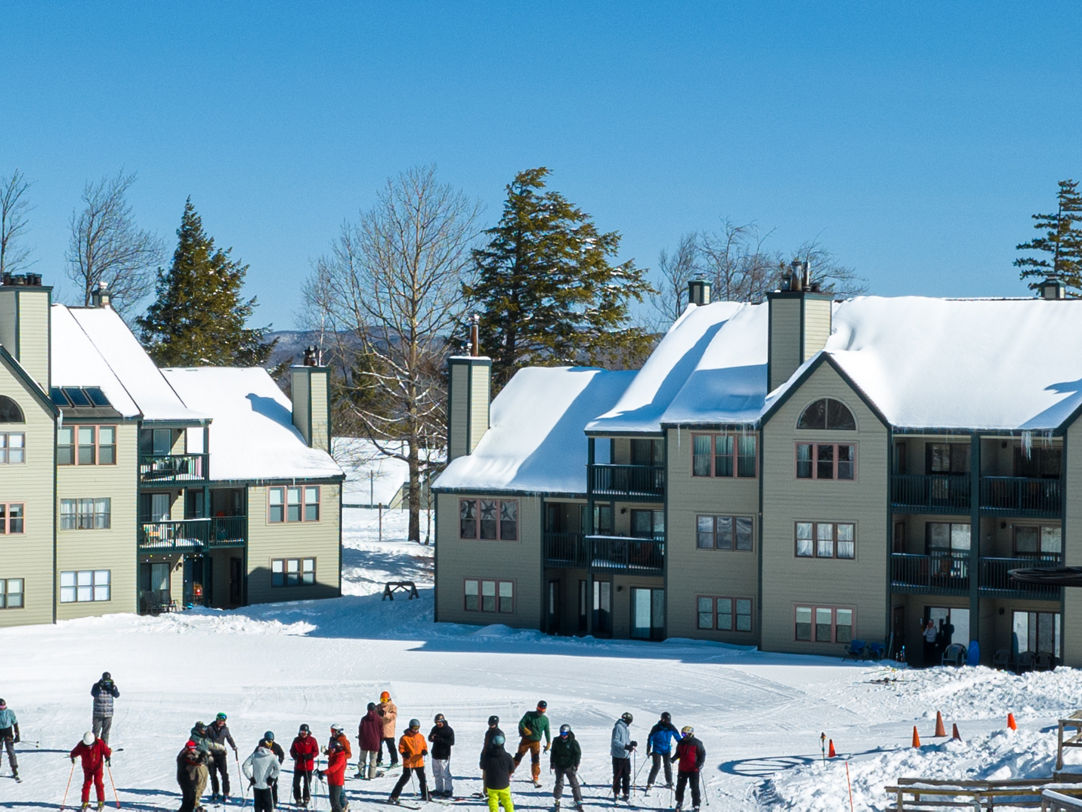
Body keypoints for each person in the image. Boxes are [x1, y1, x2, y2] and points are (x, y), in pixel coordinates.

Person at [389, 718, 429, 804]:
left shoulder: (420, 736)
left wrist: (424, 751)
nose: (416, 730)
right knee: (404, 779)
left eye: (418, 727)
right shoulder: (404, 738)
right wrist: (404, 753)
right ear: (410, 727)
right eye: (414, 727)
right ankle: (394, 796)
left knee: (422, 779)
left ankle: (425, 794)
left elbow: (424, 746)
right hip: (409, 762)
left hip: (419, 762)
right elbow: (401, 748)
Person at [70, 731, 112, 811]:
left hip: (98, 768)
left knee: (98, 783)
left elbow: (106, 751)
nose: (89, 747)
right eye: (87, 745)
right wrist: (73, 758)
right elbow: (74, 752)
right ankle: (85, 802)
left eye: (90, 745)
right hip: (87, 768)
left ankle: (100, 801)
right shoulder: (81, 745)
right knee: (87, 784)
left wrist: (107, 758)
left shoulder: (99, 743)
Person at [513, 700, 550, 788]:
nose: (540, 711)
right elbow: (521, 723)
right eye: (539, 709)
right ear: (537, 708)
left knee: (535, 760)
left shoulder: (545, 720)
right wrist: (525, 729)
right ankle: (509, 772)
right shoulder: (529, 714)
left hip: (536, 743)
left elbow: (547, 731)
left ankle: (535, 776)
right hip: (525, 741)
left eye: (542, 710)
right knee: (518, 757)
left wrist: (548, 742)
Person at [549, 724, 583, 810]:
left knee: (574, 784)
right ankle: (557, 800)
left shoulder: (573, 742)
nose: (563, 736)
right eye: (561, 733)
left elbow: (577, 753)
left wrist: (576, 764)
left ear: (568, 733)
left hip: (569, 765)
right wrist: (552, 762)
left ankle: (578, 801)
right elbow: (553, 752)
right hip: (559, 765)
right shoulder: (556, 740)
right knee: (559, 783)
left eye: (565, 734)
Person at [645, 711, 680, 792]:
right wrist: (648, 749)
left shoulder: (671, 727)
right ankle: (650, 783)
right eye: (666, 720)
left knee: (667, 765)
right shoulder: (656, 728)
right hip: (657, 749)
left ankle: (669, 782)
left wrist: (685, 744)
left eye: (669, 720)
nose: (668, 722)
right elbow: (650, 738)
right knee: (656, 766)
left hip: (667, 749)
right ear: (662, 719)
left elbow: (678, 738)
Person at [242, 739, 281, 812]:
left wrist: (250, 778)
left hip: (256, 785)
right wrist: (272, 778)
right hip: (267, 785)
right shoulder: (272, 756)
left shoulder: (254, 755)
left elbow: (244, 766)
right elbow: (278, 768)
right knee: (268, 807)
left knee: (258, 807)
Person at [206, 712, 238, 803]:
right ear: (216, 719)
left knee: (224, 775)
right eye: (220, 720)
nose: (221, 722)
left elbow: (229, 738)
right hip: (211, 754)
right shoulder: (210, 728)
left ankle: (226, 793)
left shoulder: (225, 729)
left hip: (221, 755)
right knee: (213, 774)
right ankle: (215, 792)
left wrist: (233, 746)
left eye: (223, 720)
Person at [673, 725, 705, 811]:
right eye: (682, 734)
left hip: (693, 769)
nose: (683, 736)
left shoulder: (697, 743)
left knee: (694, 787)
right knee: (680, 786)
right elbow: (678, 753)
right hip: (682, 768)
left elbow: (702, 754)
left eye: (684, 734)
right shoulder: (681, 743)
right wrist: (673, 758)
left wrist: (700, 763)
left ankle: (696, 805)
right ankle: (679, 802)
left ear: (690, 734)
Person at [481, 732, 515, 812]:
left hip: (491, 784)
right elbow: (512, 769)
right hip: (504, 784)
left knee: (493, 801)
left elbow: (483, 766)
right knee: (507, 801)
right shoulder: (508, 756)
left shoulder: (488, 756)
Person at [291, 723, 319, 808]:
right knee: (296, 783)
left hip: (308, 766)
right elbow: (292, 750)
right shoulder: (296, 740)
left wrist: (309, 756)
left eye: (304, 732)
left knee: (307, 784)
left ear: (307, 732)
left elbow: (316, 751)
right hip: (298, 765)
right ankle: (298, 798)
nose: (303, 733)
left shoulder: (312, 740)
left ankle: (306, 798)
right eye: (301, 731)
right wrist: (294, 755)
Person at [610, 712, 636, 802]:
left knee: (626, 775)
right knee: (617, 775)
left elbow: (626, 740)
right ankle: (616, 792)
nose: (630, 723)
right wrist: (625, 746)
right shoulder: (618, 727)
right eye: (629, 721)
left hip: (625, 756)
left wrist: (631, 743)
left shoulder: (626, 729)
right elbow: (615, 741)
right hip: (618, 756)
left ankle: (626, 793)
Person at [428, 712, 455, 798]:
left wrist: (439, 739)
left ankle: (448, 790)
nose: (438, 724)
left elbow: (451, 742)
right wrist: (431, 738)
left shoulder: (448, 730)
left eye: (439, 722)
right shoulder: (435, 728)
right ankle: (439, 789)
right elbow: (430, 737)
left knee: (445, 774)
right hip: (435, 754)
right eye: (436, 722)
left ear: (443, 721)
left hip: (444, 755)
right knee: (436, 774)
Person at [318, 738, 348, 812]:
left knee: (335, 802)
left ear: (337, 748)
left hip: (337, 781)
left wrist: (324, 772)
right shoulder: (334, 755)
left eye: (333, 748)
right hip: (332, 780)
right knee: (333, 801)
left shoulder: (340, 757)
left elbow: (334, 768)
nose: (331, 750)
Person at [90, 672, 119, 744]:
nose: (107, 682)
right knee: (95, 732)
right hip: (98, 713)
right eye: (105, 680)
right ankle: (94, 747)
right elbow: (94, 694)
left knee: (106, 732)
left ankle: (104, 747)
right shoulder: (96, 685)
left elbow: (117, 695)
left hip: (108, 714)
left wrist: (113, 688)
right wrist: (99, 686)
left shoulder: (112, 686)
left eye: (108, 680)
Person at [177, 740, 205, 812]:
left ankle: (185, 809)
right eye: (192, 748)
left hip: (188, 778)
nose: (194, 750)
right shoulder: (186, 755)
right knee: (189, 798)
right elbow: (196, 763)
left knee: (190, 797)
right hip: (186, 779)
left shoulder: (185, 753)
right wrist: (201, 756)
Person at [357, 702, 382, 779]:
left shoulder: (364, 719)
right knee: (373, 760)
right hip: (374, 743)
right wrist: (379, 740)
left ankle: (361, 774)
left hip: (364, 742)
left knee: (362, 759)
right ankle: (371, 775)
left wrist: (360, 739)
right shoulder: (379, 719)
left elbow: (360, 731)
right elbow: (381, 732)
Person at [480, 715, 504, 792]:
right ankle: (485, 791)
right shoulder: (488, 732)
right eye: (490, 723)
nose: (491, 725)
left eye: (493, 723)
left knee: (493, 776)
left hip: (495, 756)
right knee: (485, 776)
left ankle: (492, 792)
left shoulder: (499, 733)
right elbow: (486, 745)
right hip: (487, 755)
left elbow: (500, 746)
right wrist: (483, 756)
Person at [262, 730, 285, 807]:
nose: (269, 742)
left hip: (273, 769)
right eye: (267, 741)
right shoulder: (261, 745)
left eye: (270, 741)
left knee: (273, 785)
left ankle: (274, 800)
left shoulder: (276, 746)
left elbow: (282, 754)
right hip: (263, 768)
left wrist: (278, 763)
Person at [378, 690, 399, 768]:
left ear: (388, 699)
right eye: (382, 700)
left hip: (389, 731)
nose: (383, 702)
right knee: (378, 747)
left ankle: (394, 761)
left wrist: (385, 714)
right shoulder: (378, 707)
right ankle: (378, 761)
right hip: (379, 731)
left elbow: (393, 716)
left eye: (385, 700)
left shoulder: (392, 706)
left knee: (391, 747)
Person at [0, 698, 18, 781]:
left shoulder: (9, 712)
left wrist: (17, 734)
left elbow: (15, 722)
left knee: (11, 752)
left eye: (3, 705)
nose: (2, 707)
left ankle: (14, 769)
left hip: (8, 733)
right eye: (1, 706)